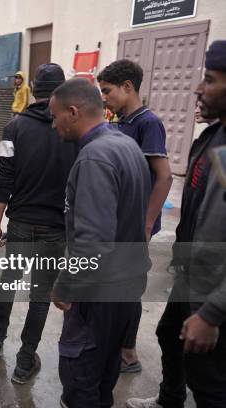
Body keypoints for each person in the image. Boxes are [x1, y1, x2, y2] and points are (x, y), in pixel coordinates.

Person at [126, 40, 226, 408]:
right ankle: (169, 400)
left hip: (216, 290)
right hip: (192, 273)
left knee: (210, 379)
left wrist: (212, 312)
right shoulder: (212, 137)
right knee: (170, 335)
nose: (199, 88)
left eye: (211, 80)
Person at [49, 78, 151, 408]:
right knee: (104, 377)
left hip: (98, 293)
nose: (54, 124)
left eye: (55, 116)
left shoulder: (95, 158)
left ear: (73, 111)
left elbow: (93, 241)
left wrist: (66, 286)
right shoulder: (125, 144)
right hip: (125, 287)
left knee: (80, 380)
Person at [0, 63, 78, 384]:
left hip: (20, 222)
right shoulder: (73, 129)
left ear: (33, 89)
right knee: (40, 295)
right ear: (60, 92)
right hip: (56, 228)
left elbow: (4, 177)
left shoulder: (13, 128)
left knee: (9, 281)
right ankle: (25, 362)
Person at [98, 58, 173, 373]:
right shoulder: (119, 120)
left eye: (107, 91)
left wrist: (145, 223)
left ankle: (128, 354)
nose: (104, 97)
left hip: (135, 224)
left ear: (127, 87)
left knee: (129, 288)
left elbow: (164, 176)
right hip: (118, 219)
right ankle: (114, 340)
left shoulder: (147, 122)